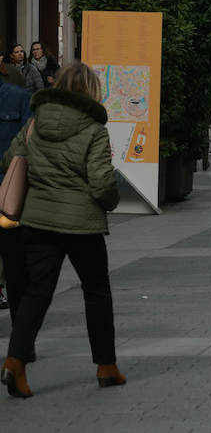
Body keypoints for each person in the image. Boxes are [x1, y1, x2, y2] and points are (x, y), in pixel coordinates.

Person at [0, 60, 124, 398]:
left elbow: (10, 159)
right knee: (96, 291)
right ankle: (106, 366)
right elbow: (100, 183)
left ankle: (15, 361)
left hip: (38, 221)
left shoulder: (36, 121)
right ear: (92, 91)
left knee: (35, 293)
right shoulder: (94, 129)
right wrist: (112, 200)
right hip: (82, 225)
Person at [0, 71, 31, 316]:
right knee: (15, 266)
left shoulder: (19, 98)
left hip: (8, 198)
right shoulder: (21, 98)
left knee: (15, 266)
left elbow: (26, 149)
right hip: (10, 198)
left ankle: (22, 335)